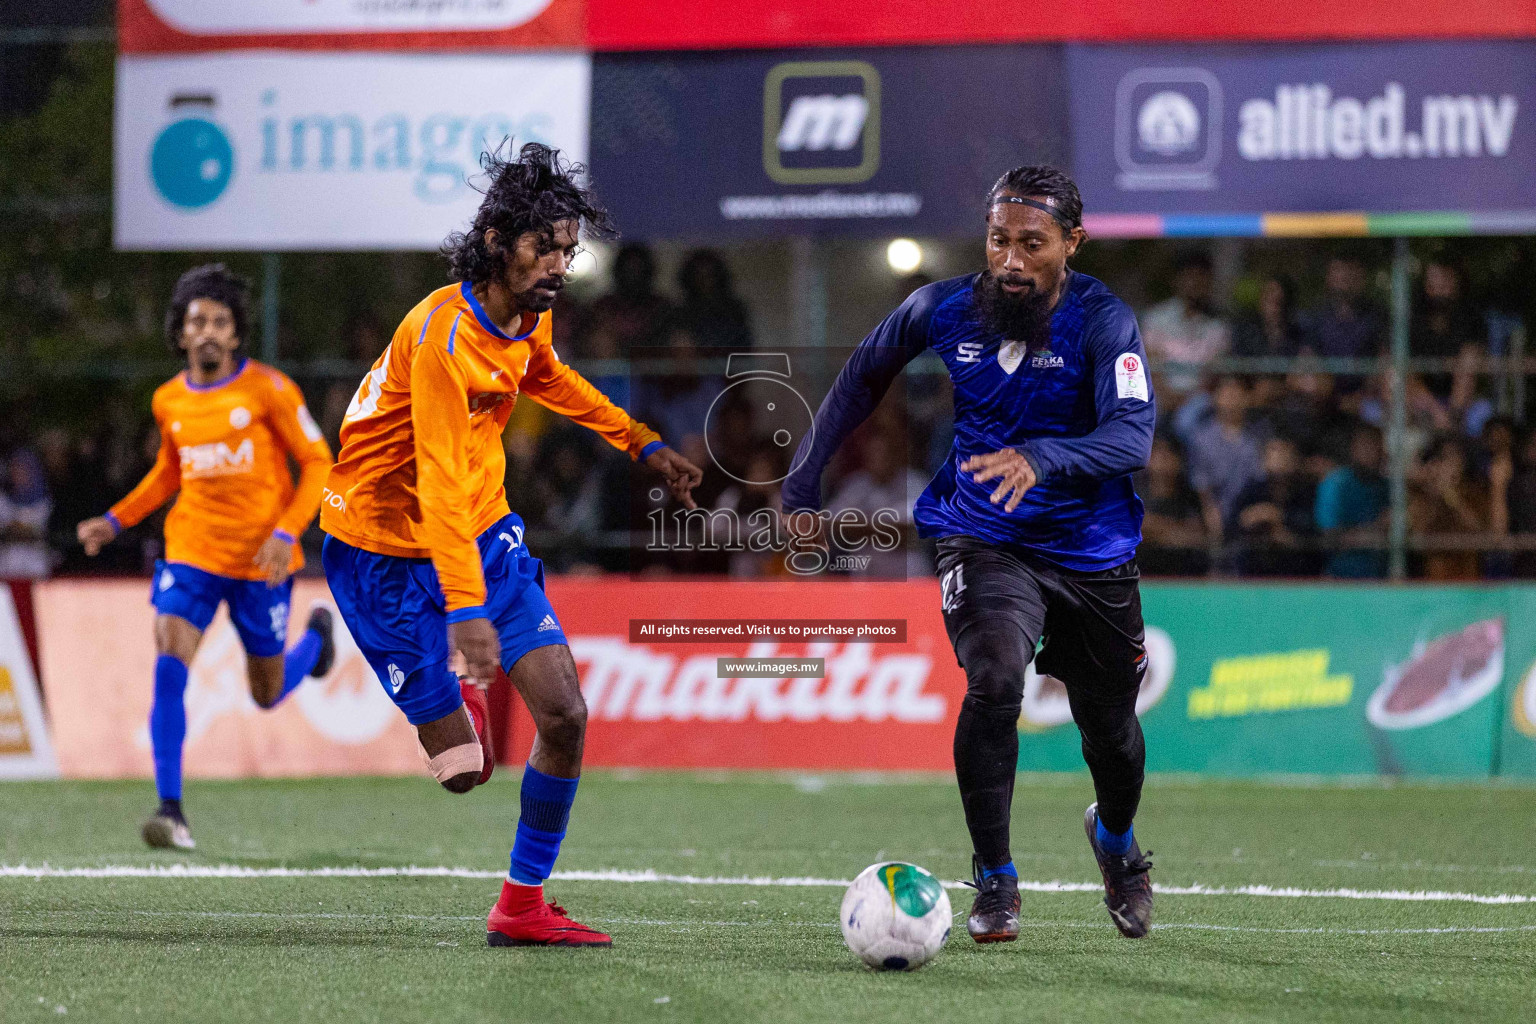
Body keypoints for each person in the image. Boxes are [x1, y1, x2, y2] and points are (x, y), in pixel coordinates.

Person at [319, 142, 702, 948]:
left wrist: (638, 441)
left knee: (564, 714)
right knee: (465, 771)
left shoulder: (528, 313)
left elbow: (548, 375)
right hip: (379, 550)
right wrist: (464, 611)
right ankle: (435, 689)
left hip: (479, 532)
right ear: (496, 240)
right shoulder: (440, 338)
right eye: (544, 248)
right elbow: (436, 480)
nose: (560, 265)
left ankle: (520, 907)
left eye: (569, 249)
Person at [783, 165, 1157, 942]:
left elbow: (1133, 437)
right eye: (998, 241)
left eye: (1032, 244)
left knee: (1111, 735)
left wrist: (1044, 458)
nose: (1012, 261)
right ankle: (995, 879)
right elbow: (861, 378)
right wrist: (802, 484)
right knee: (993, 680)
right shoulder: (941, 308)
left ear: (1072, 245)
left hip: (1091, 549)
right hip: (983, 533)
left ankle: (1116, 843)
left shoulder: (1103, 321)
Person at [75, 264, 337, 851]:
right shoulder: (169, 399)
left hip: (260, 562)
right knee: (170, 656)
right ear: (182, 333)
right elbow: (170, 471)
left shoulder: (270, 389)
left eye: (221, 321)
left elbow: (319, 464)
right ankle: (171, 810)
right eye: (198, 321)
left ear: (237, 334)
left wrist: (289, 532)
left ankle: (317, 643)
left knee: (266, 694)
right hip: (191, 551)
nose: (210, 331)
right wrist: (115, 520)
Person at [1139, 251, 1229, 399]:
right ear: (1177, 280)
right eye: (1189, 276)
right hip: (1159, 395)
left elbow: (1213, 373)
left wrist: (1187, 400)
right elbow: (1150, 365)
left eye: (1200, 276)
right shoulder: (1157, 318)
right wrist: (1167, 396)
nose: (1194, 283)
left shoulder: (1218, 325)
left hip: (1199, 400)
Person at [1314, 424, 1390, 578]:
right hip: (1341, 580)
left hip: (1382, 582)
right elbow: (1330, 538)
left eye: (1377, 446)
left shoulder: (1387, 488)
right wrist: (1376, 530)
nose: (1372, 453)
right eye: (1365, 446)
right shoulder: (1336, 484)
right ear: (1353, 449)